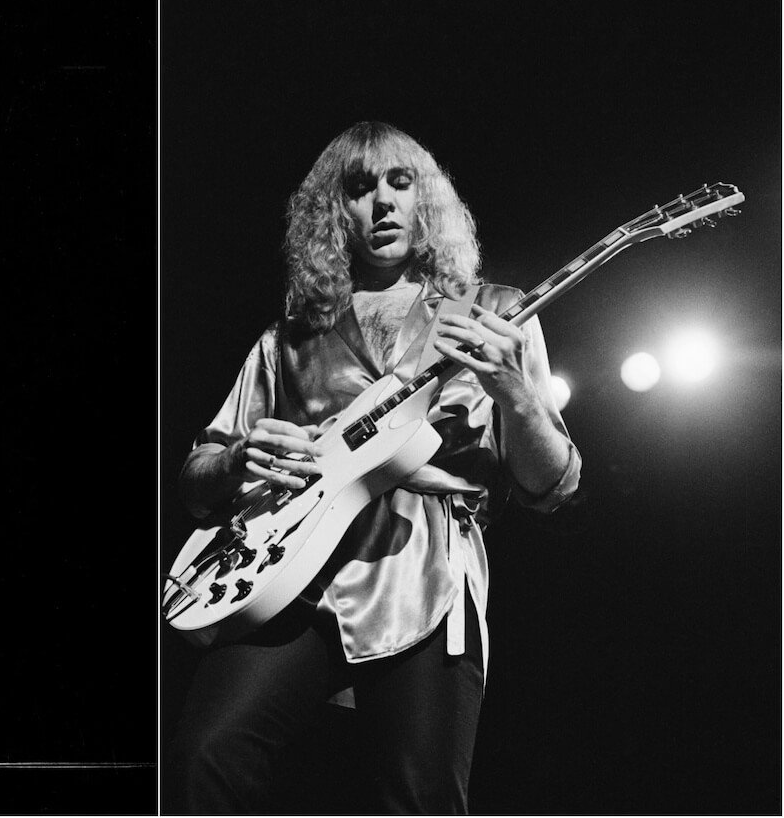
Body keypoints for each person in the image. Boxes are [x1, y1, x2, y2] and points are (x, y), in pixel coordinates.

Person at [165, 121, 581, 813]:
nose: (382, 203)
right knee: (204, 753)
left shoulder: (496, 312)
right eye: (359, 189)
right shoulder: (290, 337)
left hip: (424, 579)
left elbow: (554, 485)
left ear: (428, 201)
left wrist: (513, 391)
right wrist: (240, 457)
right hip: (292, 574)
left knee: (418, 798)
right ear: (334, 214)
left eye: (400, 182)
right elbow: (195, 476)